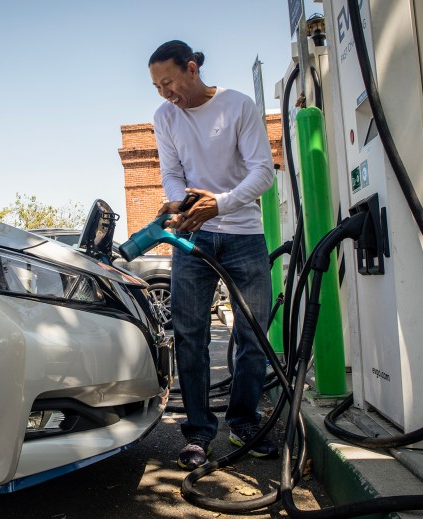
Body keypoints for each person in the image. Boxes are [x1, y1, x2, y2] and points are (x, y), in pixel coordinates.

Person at [148, 40, 278, 470]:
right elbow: (171, 172)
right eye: (157, 86)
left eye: (168, 82)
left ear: (190, 69)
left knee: (252, 335)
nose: (165, 93)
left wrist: (217, 205)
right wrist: (182, 203)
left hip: (244, 235)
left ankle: (244, 422)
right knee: (189, 335)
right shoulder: (165, 117)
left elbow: (263, 172)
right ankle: (199, 433)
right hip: (194, 238)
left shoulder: (238, 106)